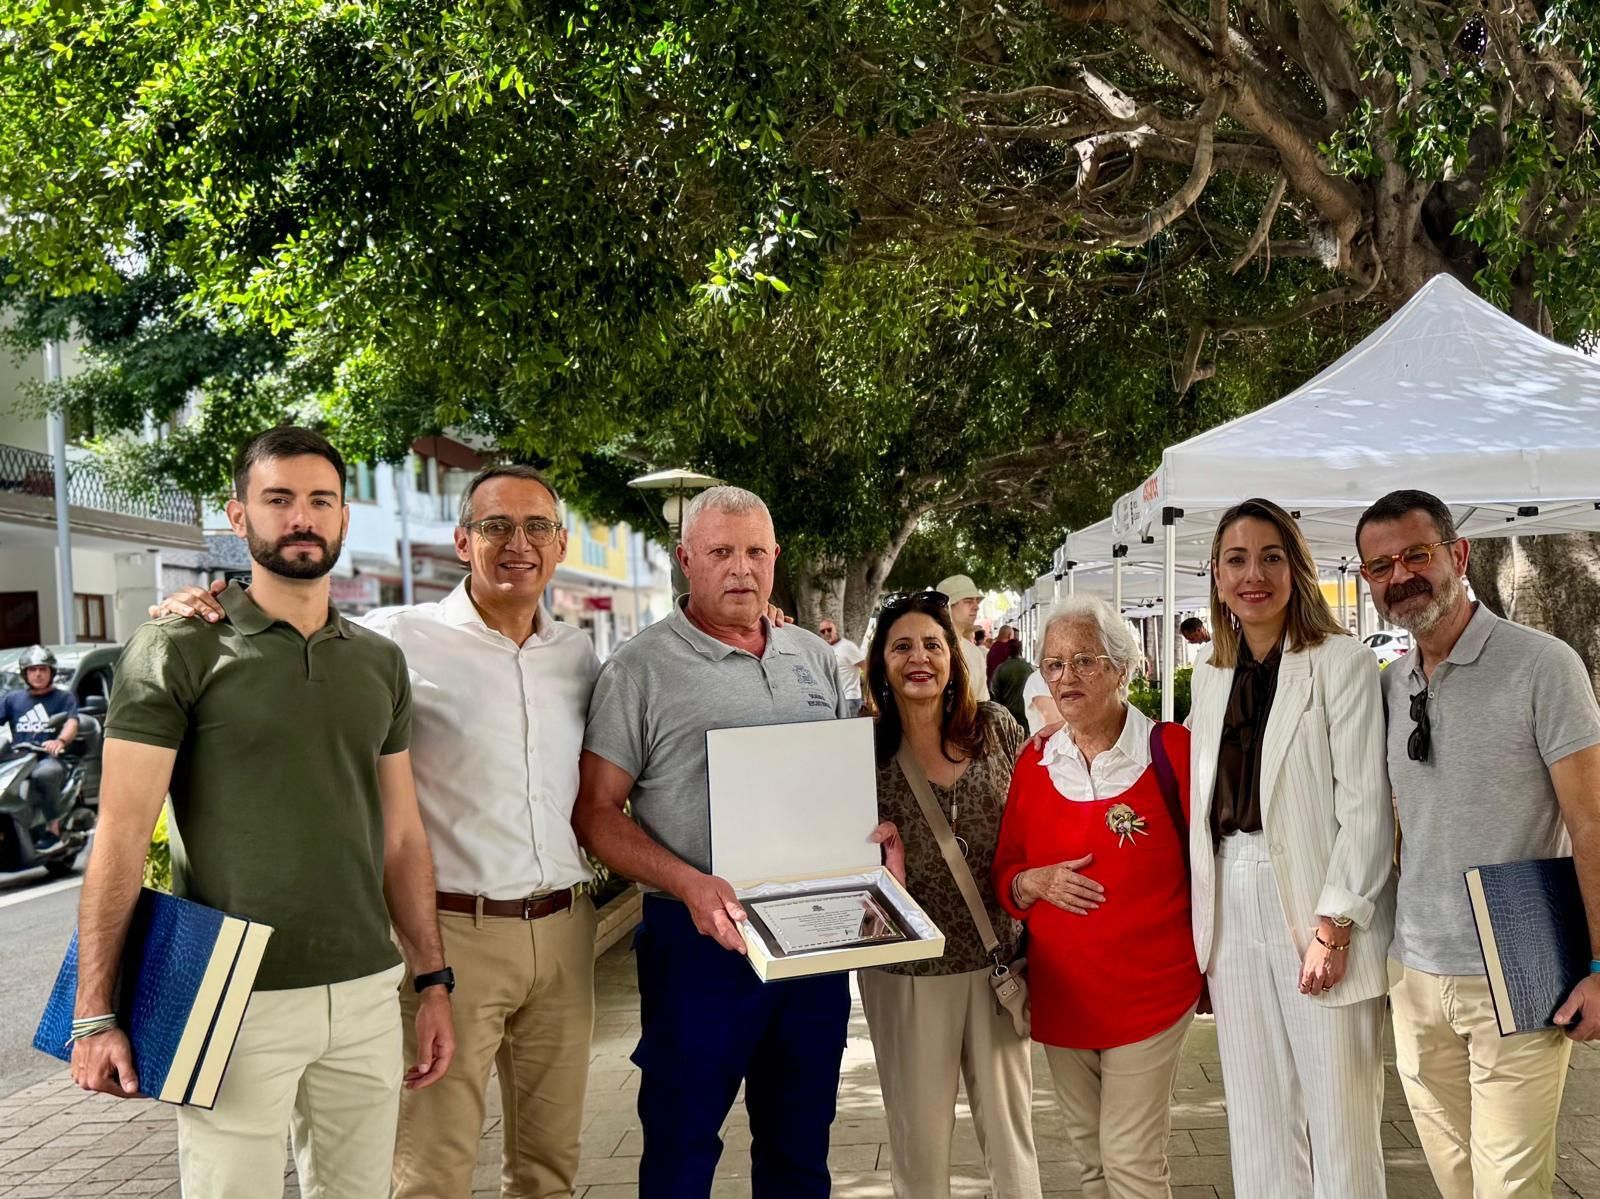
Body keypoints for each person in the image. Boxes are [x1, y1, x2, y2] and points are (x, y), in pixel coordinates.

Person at [152, 461, 603, 1198]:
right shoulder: (395, 638)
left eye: (536, 527)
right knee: (431, 1171)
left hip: (565, 932)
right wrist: (203, 603)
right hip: (455, 932)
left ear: (559, 544)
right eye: (496, 526)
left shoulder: (577, 654)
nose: (517, 544)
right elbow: (293, 629)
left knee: (551, 1165)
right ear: (463, 540)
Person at [70, 426, 455, 1199]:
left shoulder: (378, 660)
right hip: (231, 993)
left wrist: (432, 979)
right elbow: (121, 833)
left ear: (344, 516)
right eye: (278, 499)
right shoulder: (177, 645)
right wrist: (93, 1011)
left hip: (366, 988)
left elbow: (403, 835)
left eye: (320, 500)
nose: (301, 517)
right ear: (239, 515)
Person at [573, 485, 853, 1198]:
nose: (741, 568)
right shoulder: (638, 669)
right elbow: (596, 814)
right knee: (681, 1149)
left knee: (801, 1149)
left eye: (756, 551)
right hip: (695, 942)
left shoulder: (813, 658)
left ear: (776, 557)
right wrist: (689, 883)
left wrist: (868, 832)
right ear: (685, 559)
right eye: (721, 551)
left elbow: (837, 781)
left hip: (811, 937)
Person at [1356, 489, 1600, 1199]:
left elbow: (1591, 822)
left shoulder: (1542, 665)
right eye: (1380, 566)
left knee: (1508, 1187)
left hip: (1519, 967)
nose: (1400, 576)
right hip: (1414, 972)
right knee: (1456, 1181)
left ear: (1458, 555)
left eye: (1416, 554)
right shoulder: (1389, 686)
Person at [1189, 498, 1394, 1199]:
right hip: (1230, 894)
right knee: (1257, 1119)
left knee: (1340, 1121)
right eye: (1237, 560)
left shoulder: (1342, 661)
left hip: (1318, 899)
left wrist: (1334, 926)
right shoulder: (1209, 672)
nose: (1254, 575)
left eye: (1270, 557)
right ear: (1217, 576)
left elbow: (1365, 805)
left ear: (1296, 568)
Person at [994, 596, 1201, 1199]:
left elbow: (1215, 868)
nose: (1067, 677)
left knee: (1130, 1160)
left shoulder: (1172, 751)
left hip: (1152, 991)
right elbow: (1006, 870)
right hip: (1063, 995)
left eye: (1085, 660)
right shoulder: (1035, 761)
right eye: (1054, 664)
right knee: (1090, 1162)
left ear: (1122, 668)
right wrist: (1032, 883)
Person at [860, 590, 1042, 1199]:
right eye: (901, 647)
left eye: (932, 645)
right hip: (905, 968)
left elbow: (1036, 824)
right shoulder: (862, 748)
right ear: (881, 663)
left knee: (1013, 1142)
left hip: (998, 965)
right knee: (920, 1144)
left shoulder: (996, 728)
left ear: (952, 657)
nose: (919, 658)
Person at [1, 645, 79, 847]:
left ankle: (53, 831)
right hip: (20, 757)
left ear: (51, 672)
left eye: (42, 669)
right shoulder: (13, 699)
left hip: (50, 758)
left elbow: (72, 722)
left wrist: (60, 741)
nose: (37, 674)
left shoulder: (63, 698)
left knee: (43, 775)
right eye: (32, 669)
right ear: (25, 673)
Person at [937, 574, 991, 703]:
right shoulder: (929, 651)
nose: (976, 607)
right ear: (947, 607)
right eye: (968, 601)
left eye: (976, 601)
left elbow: (982, 703)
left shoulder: (975, 653)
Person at [819, 616, 866, 718]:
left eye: (829, 629)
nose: (826, 633)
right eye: (823, 631)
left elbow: (866, 667)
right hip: (835, 700)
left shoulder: (847, 646)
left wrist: (870, 695)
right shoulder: (826, 649)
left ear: (835, 629)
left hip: (850, 698)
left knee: (848, 727)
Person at [989, 639, 1035, 732]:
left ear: (1007, 651)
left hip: (1008, 713)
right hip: (1025, 712)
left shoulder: (1001, 668)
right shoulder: (1029, 668)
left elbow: (994, 690)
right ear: (1021, 650)